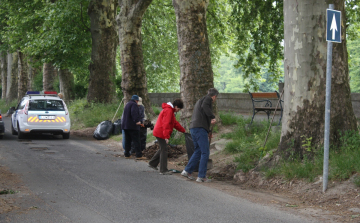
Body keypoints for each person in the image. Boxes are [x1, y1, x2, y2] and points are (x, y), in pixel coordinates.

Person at [181, 88, 219, 182]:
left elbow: (203, 116)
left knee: (198, 150)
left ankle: (187, 170)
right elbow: (205, 108)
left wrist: (209, 131)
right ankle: (201, 176)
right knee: (205, 152)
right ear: (214, 96)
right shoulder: (207, 99)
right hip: (199, 129)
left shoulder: (200, 100)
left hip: (194, 128)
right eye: (216, 98)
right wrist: (212, 117)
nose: (215, 100)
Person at [148, 99, 186, 175]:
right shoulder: (169, 111)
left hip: (160, 131)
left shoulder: (170, 111)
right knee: (164, 150)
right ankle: (163, 170)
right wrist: (166, 136)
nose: (178, 111)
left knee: (163, 148)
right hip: (161, 132)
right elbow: (166, 124)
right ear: (175, 106)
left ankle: (152, 163)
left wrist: (183, 130)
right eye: (178, 109)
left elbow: (174, 123)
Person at [121, 95, 146, 160]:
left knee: (127, 140)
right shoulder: (134, 104)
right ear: (136, 100)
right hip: (132, 126)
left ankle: (127, 154)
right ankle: (139, 155)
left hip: (125, 126)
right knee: (137, 140)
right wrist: (137, 121)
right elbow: (134, 113)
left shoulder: (127, 104)